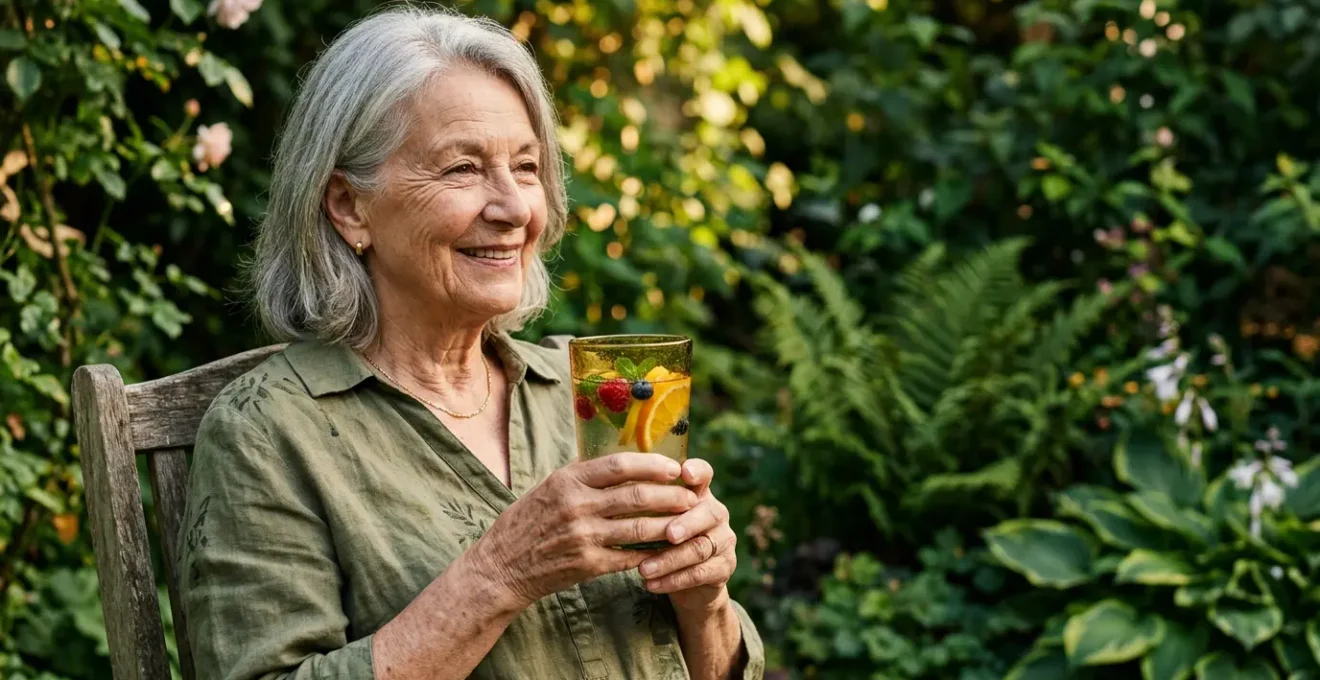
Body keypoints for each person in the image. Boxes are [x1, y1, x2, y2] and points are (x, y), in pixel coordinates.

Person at [177, 6, 764, 680]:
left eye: (526, 167)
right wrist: (501, 572)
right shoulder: (272, 433)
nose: (514, 208)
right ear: (348, 207)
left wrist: (704, 600)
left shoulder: (584, 393)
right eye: (462, 169)